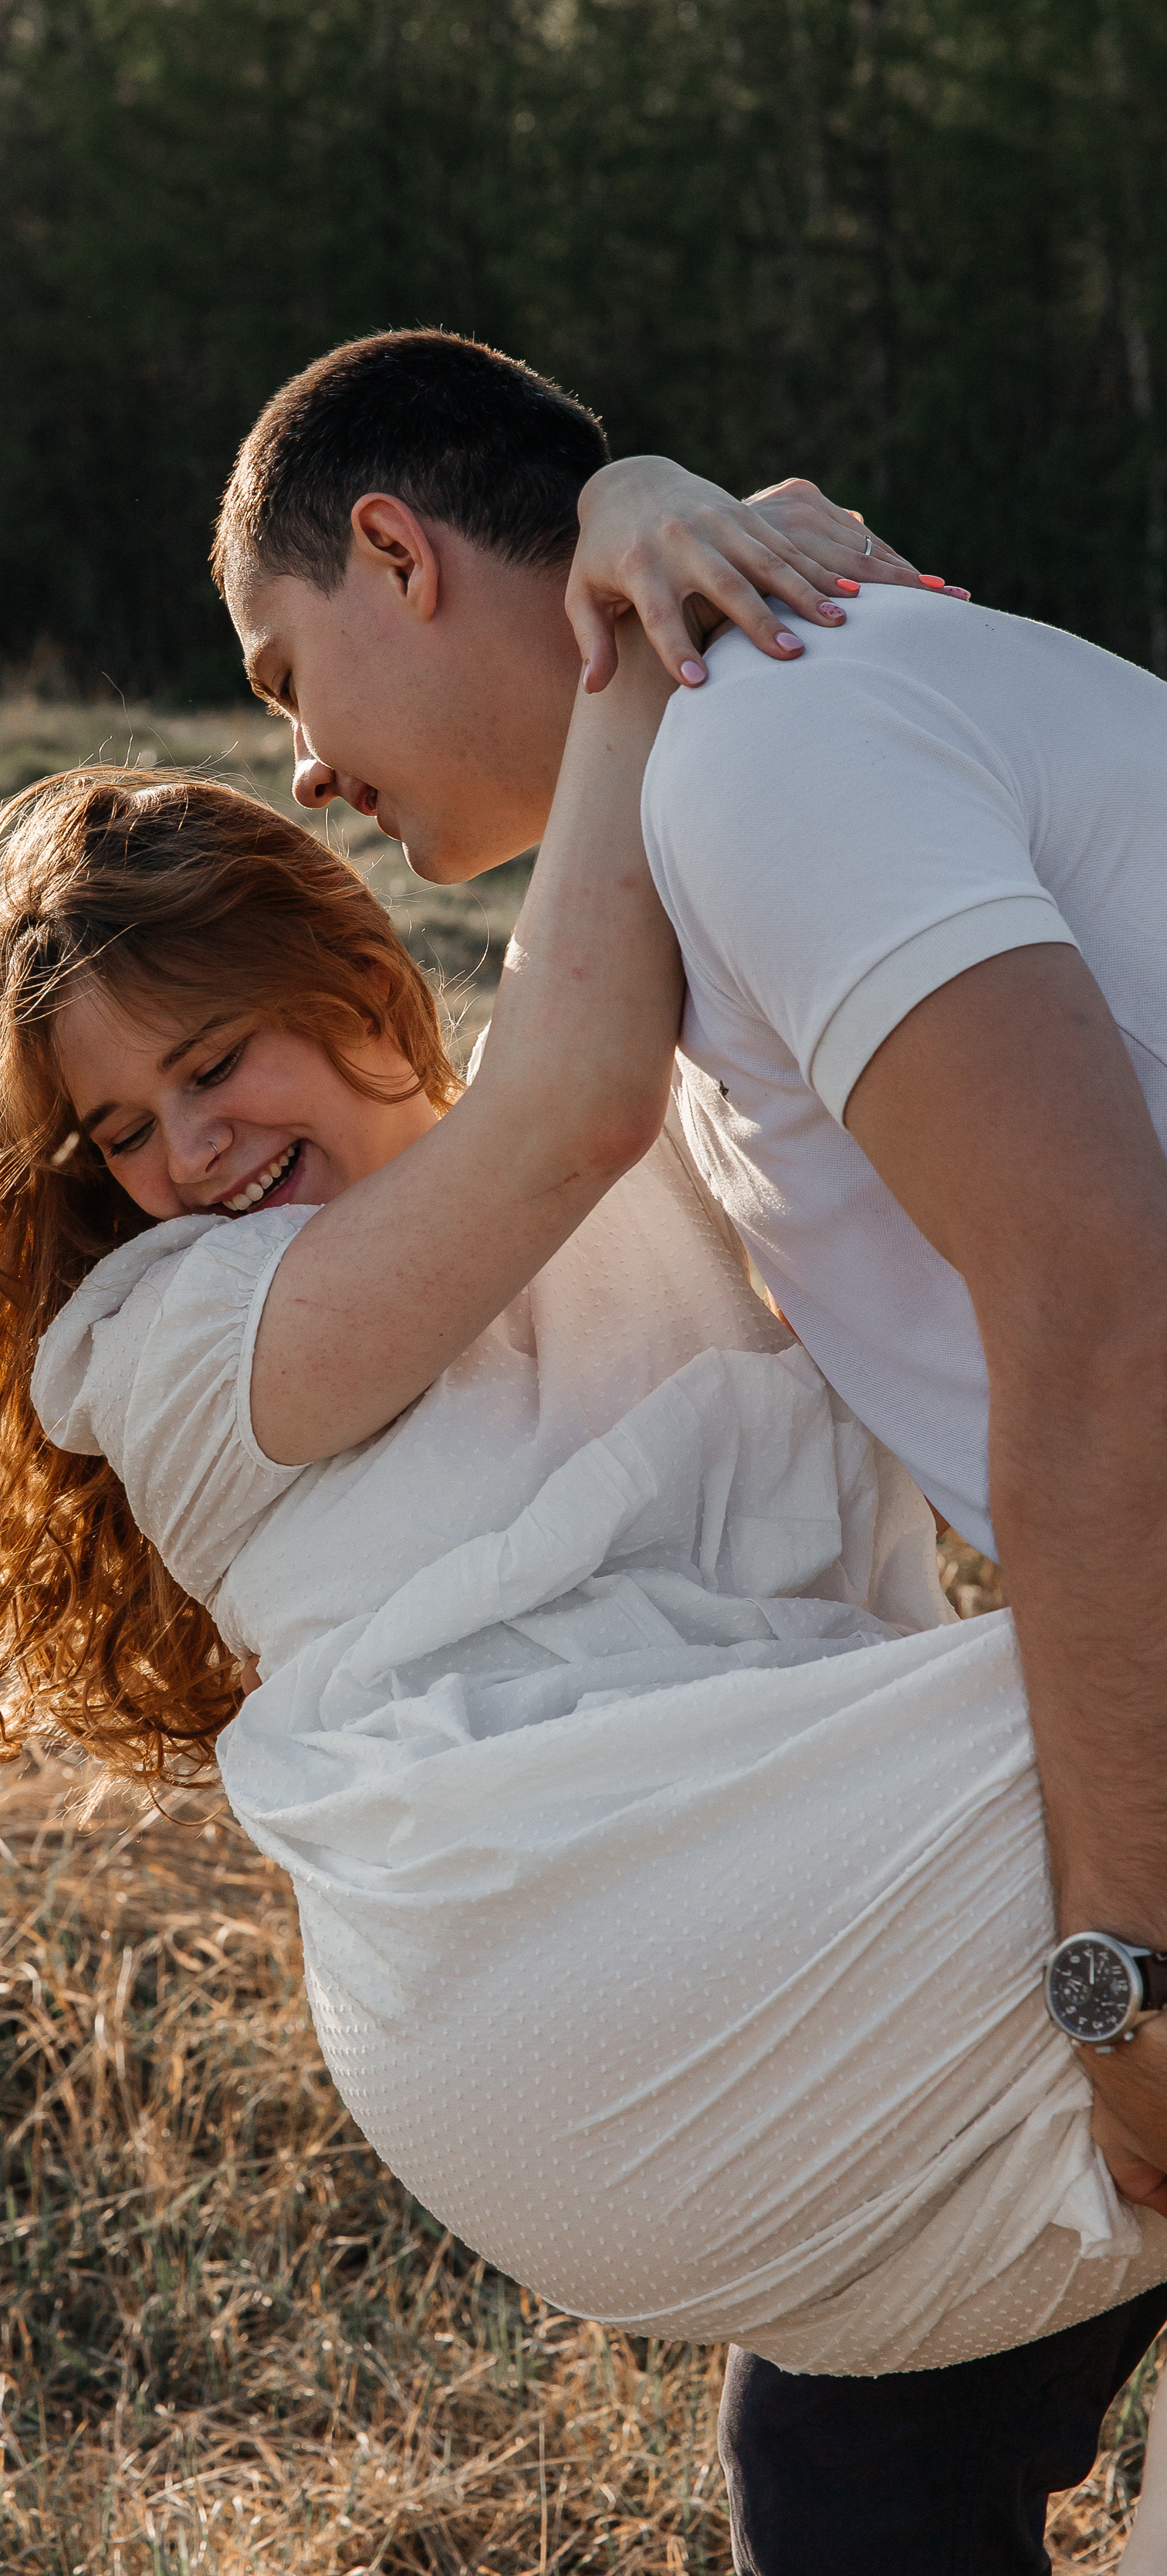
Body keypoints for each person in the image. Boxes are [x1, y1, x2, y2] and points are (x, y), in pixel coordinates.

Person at [212, 326, 1167, 2572]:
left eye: (283, 676)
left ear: (395, 552)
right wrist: (650, 490)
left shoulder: (776, 737)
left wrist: (1128, 1968)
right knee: (853, 2453)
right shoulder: (718, 778)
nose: (308, 770)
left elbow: (1105, 1303)